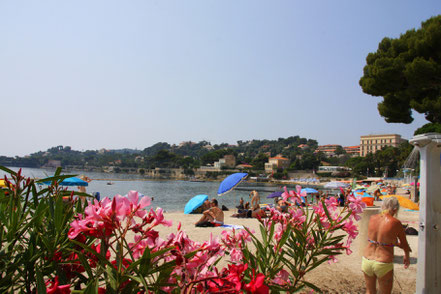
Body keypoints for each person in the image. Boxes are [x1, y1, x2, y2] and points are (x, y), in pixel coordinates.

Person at [362, 197, 411, 294]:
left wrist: (394, 243)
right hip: (383, 262)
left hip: (367, 259)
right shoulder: (395, 222)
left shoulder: (372, 218)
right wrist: (407, 256)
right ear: (395, 209)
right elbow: (404, 243)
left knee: (369, 291)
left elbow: (377, 239)